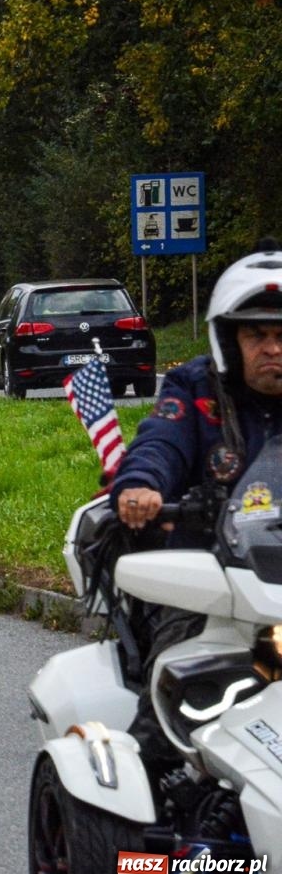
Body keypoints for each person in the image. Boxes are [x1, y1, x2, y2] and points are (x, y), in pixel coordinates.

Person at [111, 239, 282, 780]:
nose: (274, 349)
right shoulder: (194, 388)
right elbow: (160, 442)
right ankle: (144, 828)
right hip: (216, 585)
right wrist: (141, 486)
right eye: (257, 334)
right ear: (229, 339)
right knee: (179, 683)